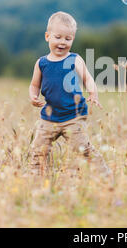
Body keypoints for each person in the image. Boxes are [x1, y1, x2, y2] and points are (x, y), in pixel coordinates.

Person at [27, 11, 111, 176]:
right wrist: (33, 96)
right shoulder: (41, 63)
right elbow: (34, 85)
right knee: (39, 148)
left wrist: (93, 93)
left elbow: (88, 78)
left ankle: (103, 173)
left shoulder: (74, 59)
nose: (62, 42)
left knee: (81, 147)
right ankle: (35, 175)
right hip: (49, 117)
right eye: (58, 37)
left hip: (73, 116)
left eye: (68, 39)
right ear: (47, 36)